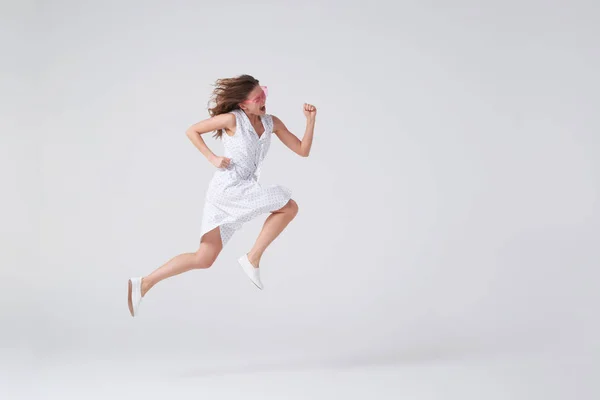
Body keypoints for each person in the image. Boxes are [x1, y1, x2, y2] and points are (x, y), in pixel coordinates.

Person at [127, 74, 317, 317]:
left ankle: (143, 283)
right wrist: (212, 158)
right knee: (288, 207)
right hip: (228, 190)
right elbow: (192, 130)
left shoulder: (271, 123)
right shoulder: (232, 119)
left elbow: (302, 150)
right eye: (257, 97)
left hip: (244, 189)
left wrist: (310, 121)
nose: (263, 100)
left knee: (204, 258)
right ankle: (252, 258)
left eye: (264, 94)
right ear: (243, 104)